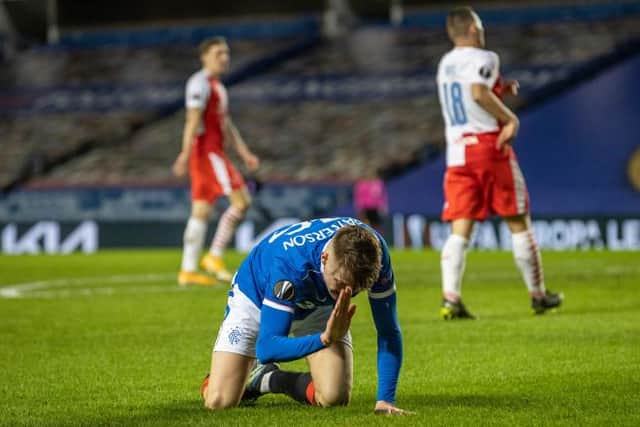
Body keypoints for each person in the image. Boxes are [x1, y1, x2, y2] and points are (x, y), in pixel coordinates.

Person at [200, 217, 410, 415]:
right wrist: (325, 338)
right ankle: (226, 376)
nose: (347, 294)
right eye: (341, 285)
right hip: (257, 295)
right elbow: (267, 348)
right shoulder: (290, 264)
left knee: (333, 397)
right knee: (219, 401)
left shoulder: (376, 253)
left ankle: (270, 379)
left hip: (318, 303)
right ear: (324, 258)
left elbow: (388, 331)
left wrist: (385, 400)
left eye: (355, 291)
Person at [435, 7, 563, 319]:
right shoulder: (485, 58)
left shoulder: (446, 63)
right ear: (473, 29)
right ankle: (538, 295)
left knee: (460, 228)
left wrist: (500, 90)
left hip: (457, 153)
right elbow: (477, 93)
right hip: (488, 149)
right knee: (517, 220)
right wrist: (510, 117)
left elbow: (468, 92)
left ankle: (451, 299)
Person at [173, 37, 260, 286]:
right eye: (219, 53)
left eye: (227, 53)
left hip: (209, 152)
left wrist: (244, 153)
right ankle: (214, 255)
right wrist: (184, 153)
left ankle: (187, 271)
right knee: (241, 201)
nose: (225, 58)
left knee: (200, 211)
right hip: (207, 152)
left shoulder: (217, 86)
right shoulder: (199, 83)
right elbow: (192, 119)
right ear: (205, 57)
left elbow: (226, 125)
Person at [353, 171, 388, 236]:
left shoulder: (378, 183)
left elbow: (382, 196)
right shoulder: (361, 184)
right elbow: (359, 197)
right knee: (365, 225)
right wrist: (360, 208)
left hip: (376, 208)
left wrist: (383, 206)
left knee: (377, 225)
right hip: (365, 208)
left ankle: (379, 239)